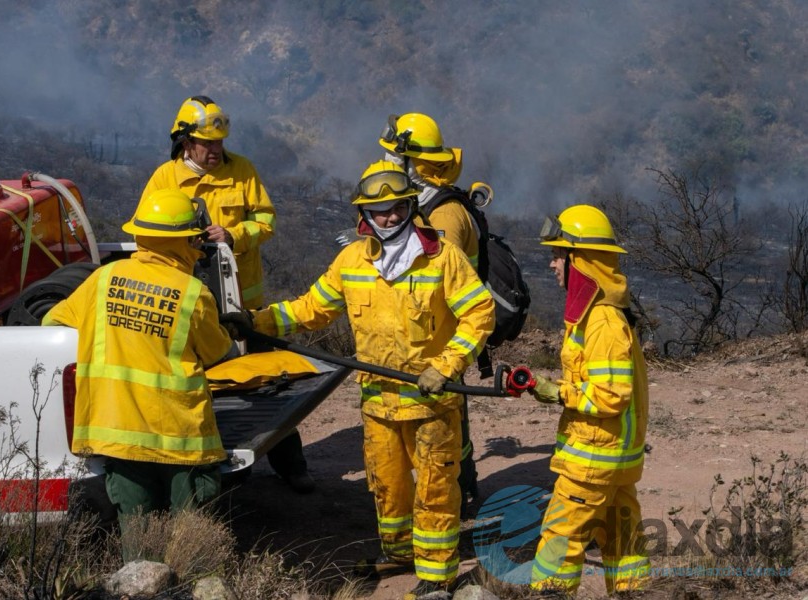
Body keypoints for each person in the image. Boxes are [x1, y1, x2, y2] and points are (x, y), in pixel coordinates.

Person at [225, 160, 495, 600]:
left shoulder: (442, 257)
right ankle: (400, 553)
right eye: (379, 211)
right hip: (378, 402)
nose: (389, 217)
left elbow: (479, 313)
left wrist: (447, 365)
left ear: (411, 207)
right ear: (364, 215)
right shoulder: (353, 260)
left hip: (430, 402)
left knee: (434, 488)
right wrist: (256, 321)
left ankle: (438, 574)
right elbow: (311, 308)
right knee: (387, 485)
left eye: (397, 208)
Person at [42, 189, 234, 554]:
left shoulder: (103, 279)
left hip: (119, 434)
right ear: (181, 242)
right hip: (180, 438)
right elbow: (218, 352)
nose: (198, 245)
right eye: (194, 238)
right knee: (190, 540)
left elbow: (53, 322)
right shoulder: (192, 293)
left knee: (138, 539)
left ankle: (139, 583)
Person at [141, 95, 312, 493]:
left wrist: (234, 235)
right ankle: (221, 469)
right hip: (190, 306)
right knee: (205, 387)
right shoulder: (164, 179)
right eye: (207, 143)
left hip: (245, 306)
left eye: (219, 142)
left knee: (267, 382)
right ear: (186, 142)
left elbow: (266, 220)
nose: (216, 150)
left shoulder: (242, 171)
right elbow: (146, 233)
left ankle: (292, 465)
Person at [523, 204, 650, 595]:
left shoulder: (602, 322)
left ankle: (549, 593)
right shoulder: (599, 313)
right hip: (614, 458)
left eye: (558, 255)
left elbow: (611, 396)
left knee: (561, 537)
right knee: (622, 541)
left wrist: (559, 392)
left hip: (594, 458)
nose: (552, 264)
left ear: (580, 261)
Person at [379, 112, 484, 512]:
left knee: (449, 423)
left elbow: (442, 279)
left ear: (413, 162)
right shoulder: (419, 203)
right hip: (419, 335)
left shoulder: (443, 214)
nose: (388, 163)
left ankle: (461, 493)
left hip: (443, 339)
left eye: (394, 158)